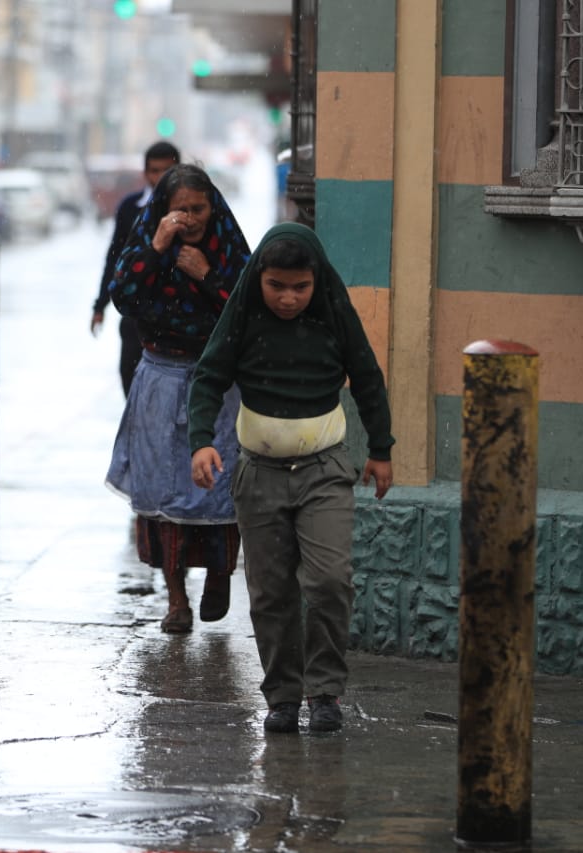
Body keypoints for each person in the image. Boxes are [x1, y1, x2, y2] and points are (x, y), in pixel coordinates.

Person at [187, 222, 394, 734]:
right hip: (259, 475)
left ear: (316, 281)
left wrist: (381, 450)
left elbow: (367, 375)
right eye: (276, 285)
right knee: (271, 591)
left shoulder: (332, 314)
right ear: (259, 278)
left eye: (299, 287)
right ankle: (282, 696)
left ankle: (325, 692)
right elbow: (209, 375)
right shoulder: (243, 319)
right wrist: (201, 441)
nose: (287, 297)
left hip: (325, 471)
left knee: (328, 581)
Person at [106, 163, 252, 634]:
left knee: (217, 484)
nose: (189, 218)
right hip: (160, 376)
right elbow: (123, 297)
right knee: (162, 486)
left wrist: (208, 276)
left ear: (214, 208)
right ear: (162, 210)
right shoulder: (149, 242)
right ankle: (175, 599)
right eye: (178, 210)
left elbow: (249, 307)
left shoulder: (227, 245)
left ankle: (217, 577)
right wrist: (157, 248)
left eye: (198, 209)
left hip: (216, 379)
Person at [91, 140, 181, 397]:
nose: (160, 177)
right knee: (131, 387)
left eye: (167, 170)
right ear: (145, 173)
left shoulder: (192, 209)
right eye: (154, 170)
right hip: (136, 315)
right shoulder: (131, 208)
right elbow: (115, 258)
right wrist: (100, 305)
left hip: (178, 318)